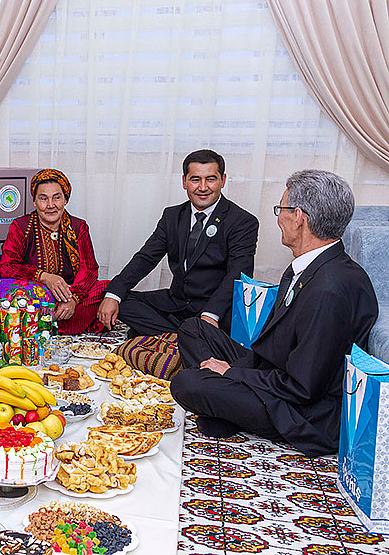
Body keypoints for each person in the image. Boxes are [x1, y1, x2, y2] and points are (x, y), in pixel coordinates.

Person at [171, 170, 379, 456]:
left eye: (281, 209)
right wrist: (236, 371)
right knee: (194, 329)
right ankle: (224, 409)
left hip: (302, 411)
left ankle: (224, 409)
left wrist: (231, 372)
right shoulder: (309, 266)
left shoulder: (330, 290)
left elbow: (304, 388)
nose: (278, 218)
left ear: (299, 217)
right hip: (275, 371)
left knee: (187, 383)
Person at [98, 149, 258, 336]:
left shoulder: (243, 221)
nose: (203, 187)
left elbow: (238, 274)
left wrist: (211, 314)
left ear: (222, 180)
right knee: (119, 299)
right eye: (195, 179)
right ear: (184, 182)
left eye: (211, 179)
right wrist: (113, 295)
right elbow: (146, 258)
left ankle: (173, 334)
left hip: (213, 309)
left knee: (227, 321)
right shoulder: (172, 216)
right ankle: (187, 336)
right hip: (177, 303)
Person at [0, 169, 108, 334]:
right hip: (35, 296)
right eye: (43, 198)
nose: (50, 205)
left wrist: (73, 299)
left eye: (57, 197)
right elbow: (7, 266)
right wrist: (44, 277)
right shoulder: (21, 227)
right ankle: (59, 323)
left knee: (106, 289)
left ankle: (42, 323)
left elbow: (89, 269)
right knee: (0, 291)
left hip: (70, 295)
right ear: (34, 201)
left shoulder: (79, 227)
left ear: (65, 200)